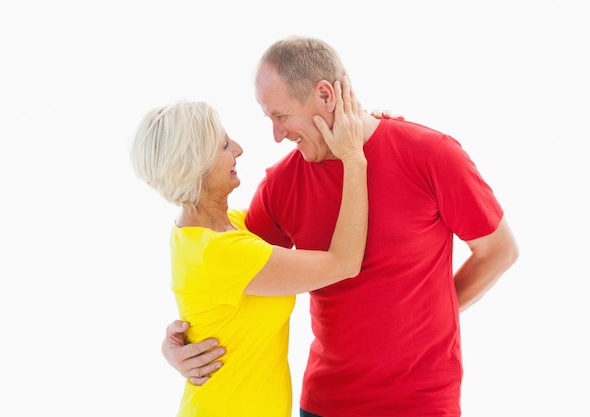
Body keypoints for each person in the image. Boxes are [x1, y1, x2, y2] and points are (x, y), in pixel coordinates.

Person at [163, 36, 519, 417]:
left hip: (422, 403)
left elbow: (498, 251)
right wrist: (179, 344)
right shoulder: (281, 184)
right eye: (269, 119)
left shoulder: (431, 154)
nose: (276, 135)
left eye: (281, 116)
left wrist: (436, 316)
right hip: (326, 405)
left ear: (325, 95)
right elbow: (228, 270)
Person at [130, 78, 368, 416]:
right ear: (195, 165)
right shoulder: (224, 251)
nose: (238, 149)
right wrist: (354, 158)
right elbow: (343, 263)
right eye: (224, 145)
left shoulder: (221, 231)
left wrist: (373, 126)